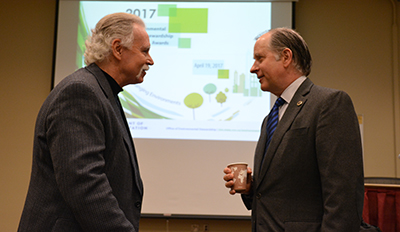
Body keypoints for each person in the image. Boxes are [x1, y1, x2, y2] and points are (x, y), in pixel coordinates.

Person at [18, 12, 154, 232]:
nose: (150, 60)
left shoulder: (101, 92)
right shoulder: (80, 92)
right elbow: (85, 184)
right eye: (144, 51)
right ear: (118, 49)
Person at [223, 28, 364, 231]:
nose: (253, 68)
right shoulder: (270, 118)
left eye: (260, 59)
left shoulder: (329, 103)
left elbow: (344, 197)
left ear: (286, 57)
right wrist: (251, 189)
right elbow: (281, 194)